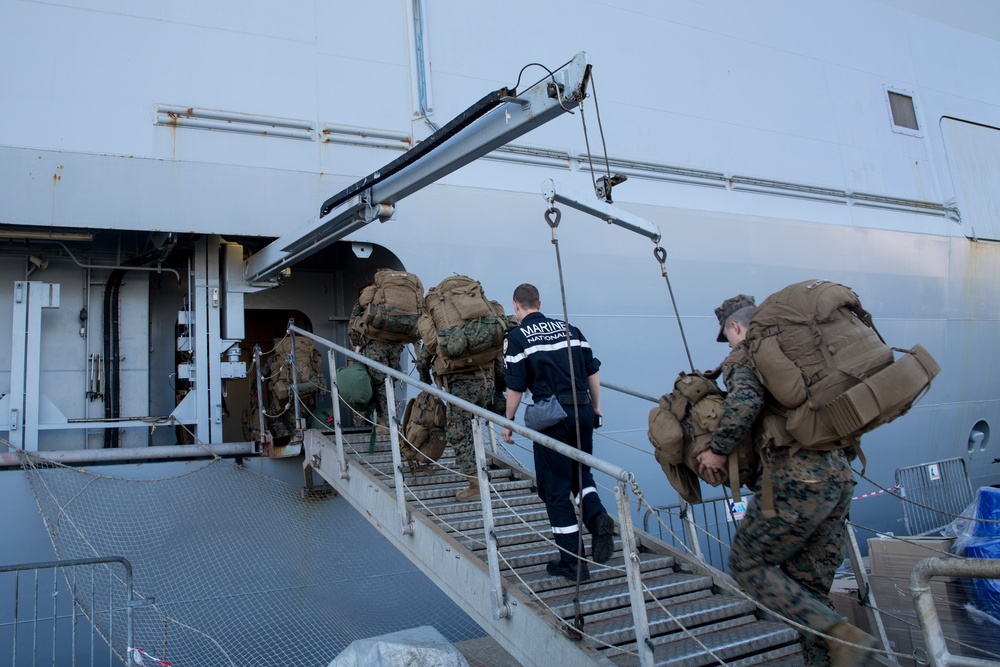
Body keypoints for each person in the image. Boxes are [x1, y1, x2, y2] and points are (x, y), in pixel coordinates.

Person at [697, 295, 877, 667]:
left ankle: (842, 634)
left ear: (735, 327)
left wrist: (716, 450)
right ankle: (833, 653)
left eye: (727, 336)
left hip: (796, 478)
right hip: (837, 475)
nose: (729, 343)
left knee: (747, 564)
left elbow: (744, 405)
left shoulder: (745, 357)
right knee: (807, 590)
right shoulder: (799, 355)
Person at [500, 283, 615, 582]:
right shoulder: (570, 329)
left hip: (552, 417)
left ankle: (574, 563)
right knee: (581, 474)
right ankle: (597, 517)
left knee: (555, 489)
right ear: (539, 302)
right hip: (583, 410)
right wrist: (597, 408)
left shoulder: (516, 337)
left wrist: (508, 420)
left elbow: (515, 386)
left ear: (516, 306)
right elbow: (592, 371)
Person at [415, 343, 496, 500]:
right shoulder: (477, 323)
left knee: (457, 433)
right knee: (473, 429)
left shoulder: (443, 322)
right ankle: (481, 472)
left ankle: (476, 485)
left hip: (461, 387)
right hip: (486, 383)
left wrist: (424, 380)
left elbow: (423, 360)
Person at [348, 299, 406, 435]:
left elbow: (352, 327)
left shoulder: (364, 301)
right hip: (395, 345)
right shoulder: (394, 299)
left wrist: (358, 344)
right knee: (389, 383)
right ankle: (388, 421)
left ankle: (389, 424)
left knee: (380, 385)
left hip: (375, 347)